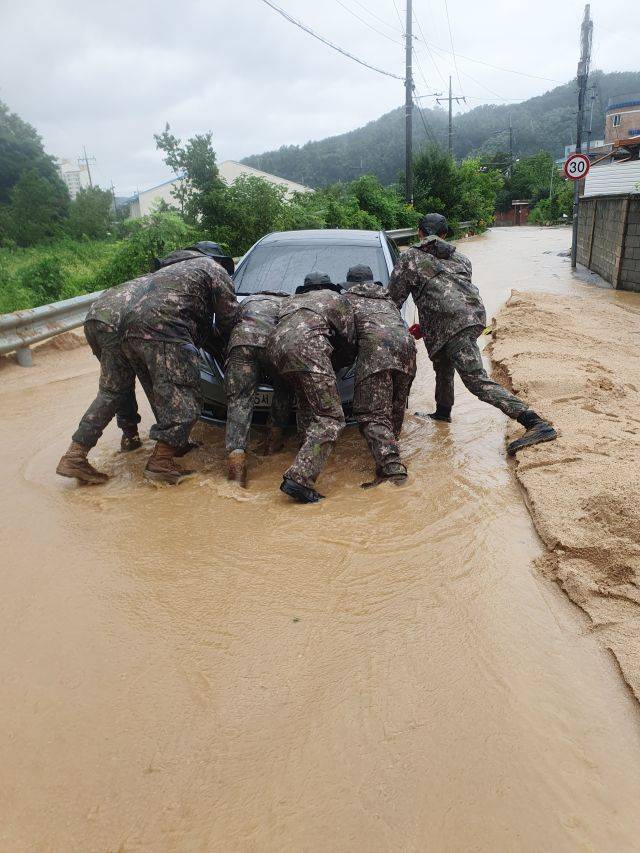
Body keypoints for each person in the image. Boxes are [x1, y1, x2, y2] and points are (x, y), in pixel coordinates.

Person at [388, 213, 557, 455]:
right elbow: (450, 294)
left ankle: (535, 422)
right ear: (446, 234)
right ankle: (442, 413)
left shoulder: (409, 258)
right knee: (442, 367)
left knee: (477, 382)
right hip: (467, 319)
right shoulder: (461, 258)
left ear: (419, 232)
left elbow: (393, 300)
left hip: (454, 326)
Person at [120, 246, 239, 484]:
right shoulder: (212, 268)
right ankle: (160, 461)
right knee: (186, 401)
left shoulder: (170, 271)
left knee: (162, 396)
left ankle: (176, 447)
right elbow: (229, 317)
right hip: (166, 333)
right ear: (218, 260)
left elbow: (201, 326)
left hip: (127, 332)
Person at [267, 272, 355, 503]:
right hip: (308, 351)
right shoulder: (334, 297)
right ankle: (299, 478)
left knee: (307, 405)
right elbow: (348, 338)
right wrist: (335, 364)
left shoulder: (289, 301)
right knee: (332, 418)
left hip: (275, 353)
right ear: (327, 286)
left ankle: (303, 454)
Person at [56, 279, 155, 484]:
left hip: (94, 319)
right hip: (116, 323)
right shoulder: (173, 286)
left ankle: (130, 438)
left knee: (120, 381)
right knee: (113, 389)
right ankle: (75, 455)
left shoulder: (157, 277)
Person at [344, 264, 416, 487]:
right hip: (408, 353)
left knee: (371, 415)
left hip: (377, 356)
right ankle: (386, 459)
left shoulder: (347, 300)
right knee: (394, 411)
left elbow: (345, 338)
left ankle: (392, 469)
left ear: (351, 284)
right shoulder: (387, 299)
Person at [225, 291, 292, 486]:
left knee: (239, 400)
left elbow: (228, 325)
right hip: (274, 344)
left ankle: (236, 470)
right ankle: (272, 445)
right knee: (283, 389)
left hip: (242, 342)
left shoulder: (247, 300)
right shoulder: (287, 301)